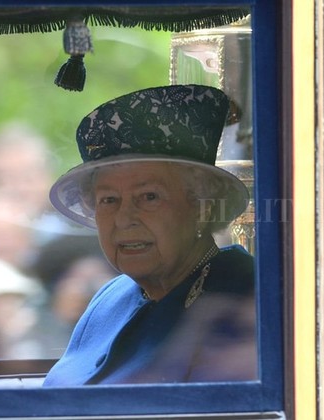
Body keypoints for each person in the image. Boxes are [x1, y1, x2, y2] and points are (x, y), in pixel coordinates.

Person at [43, 84, 256, 385]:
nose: (123, 219)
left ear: (201, 206)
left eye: (149, 197)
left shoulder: (242, 295)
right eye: (108, 200)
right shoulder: (110, 296)